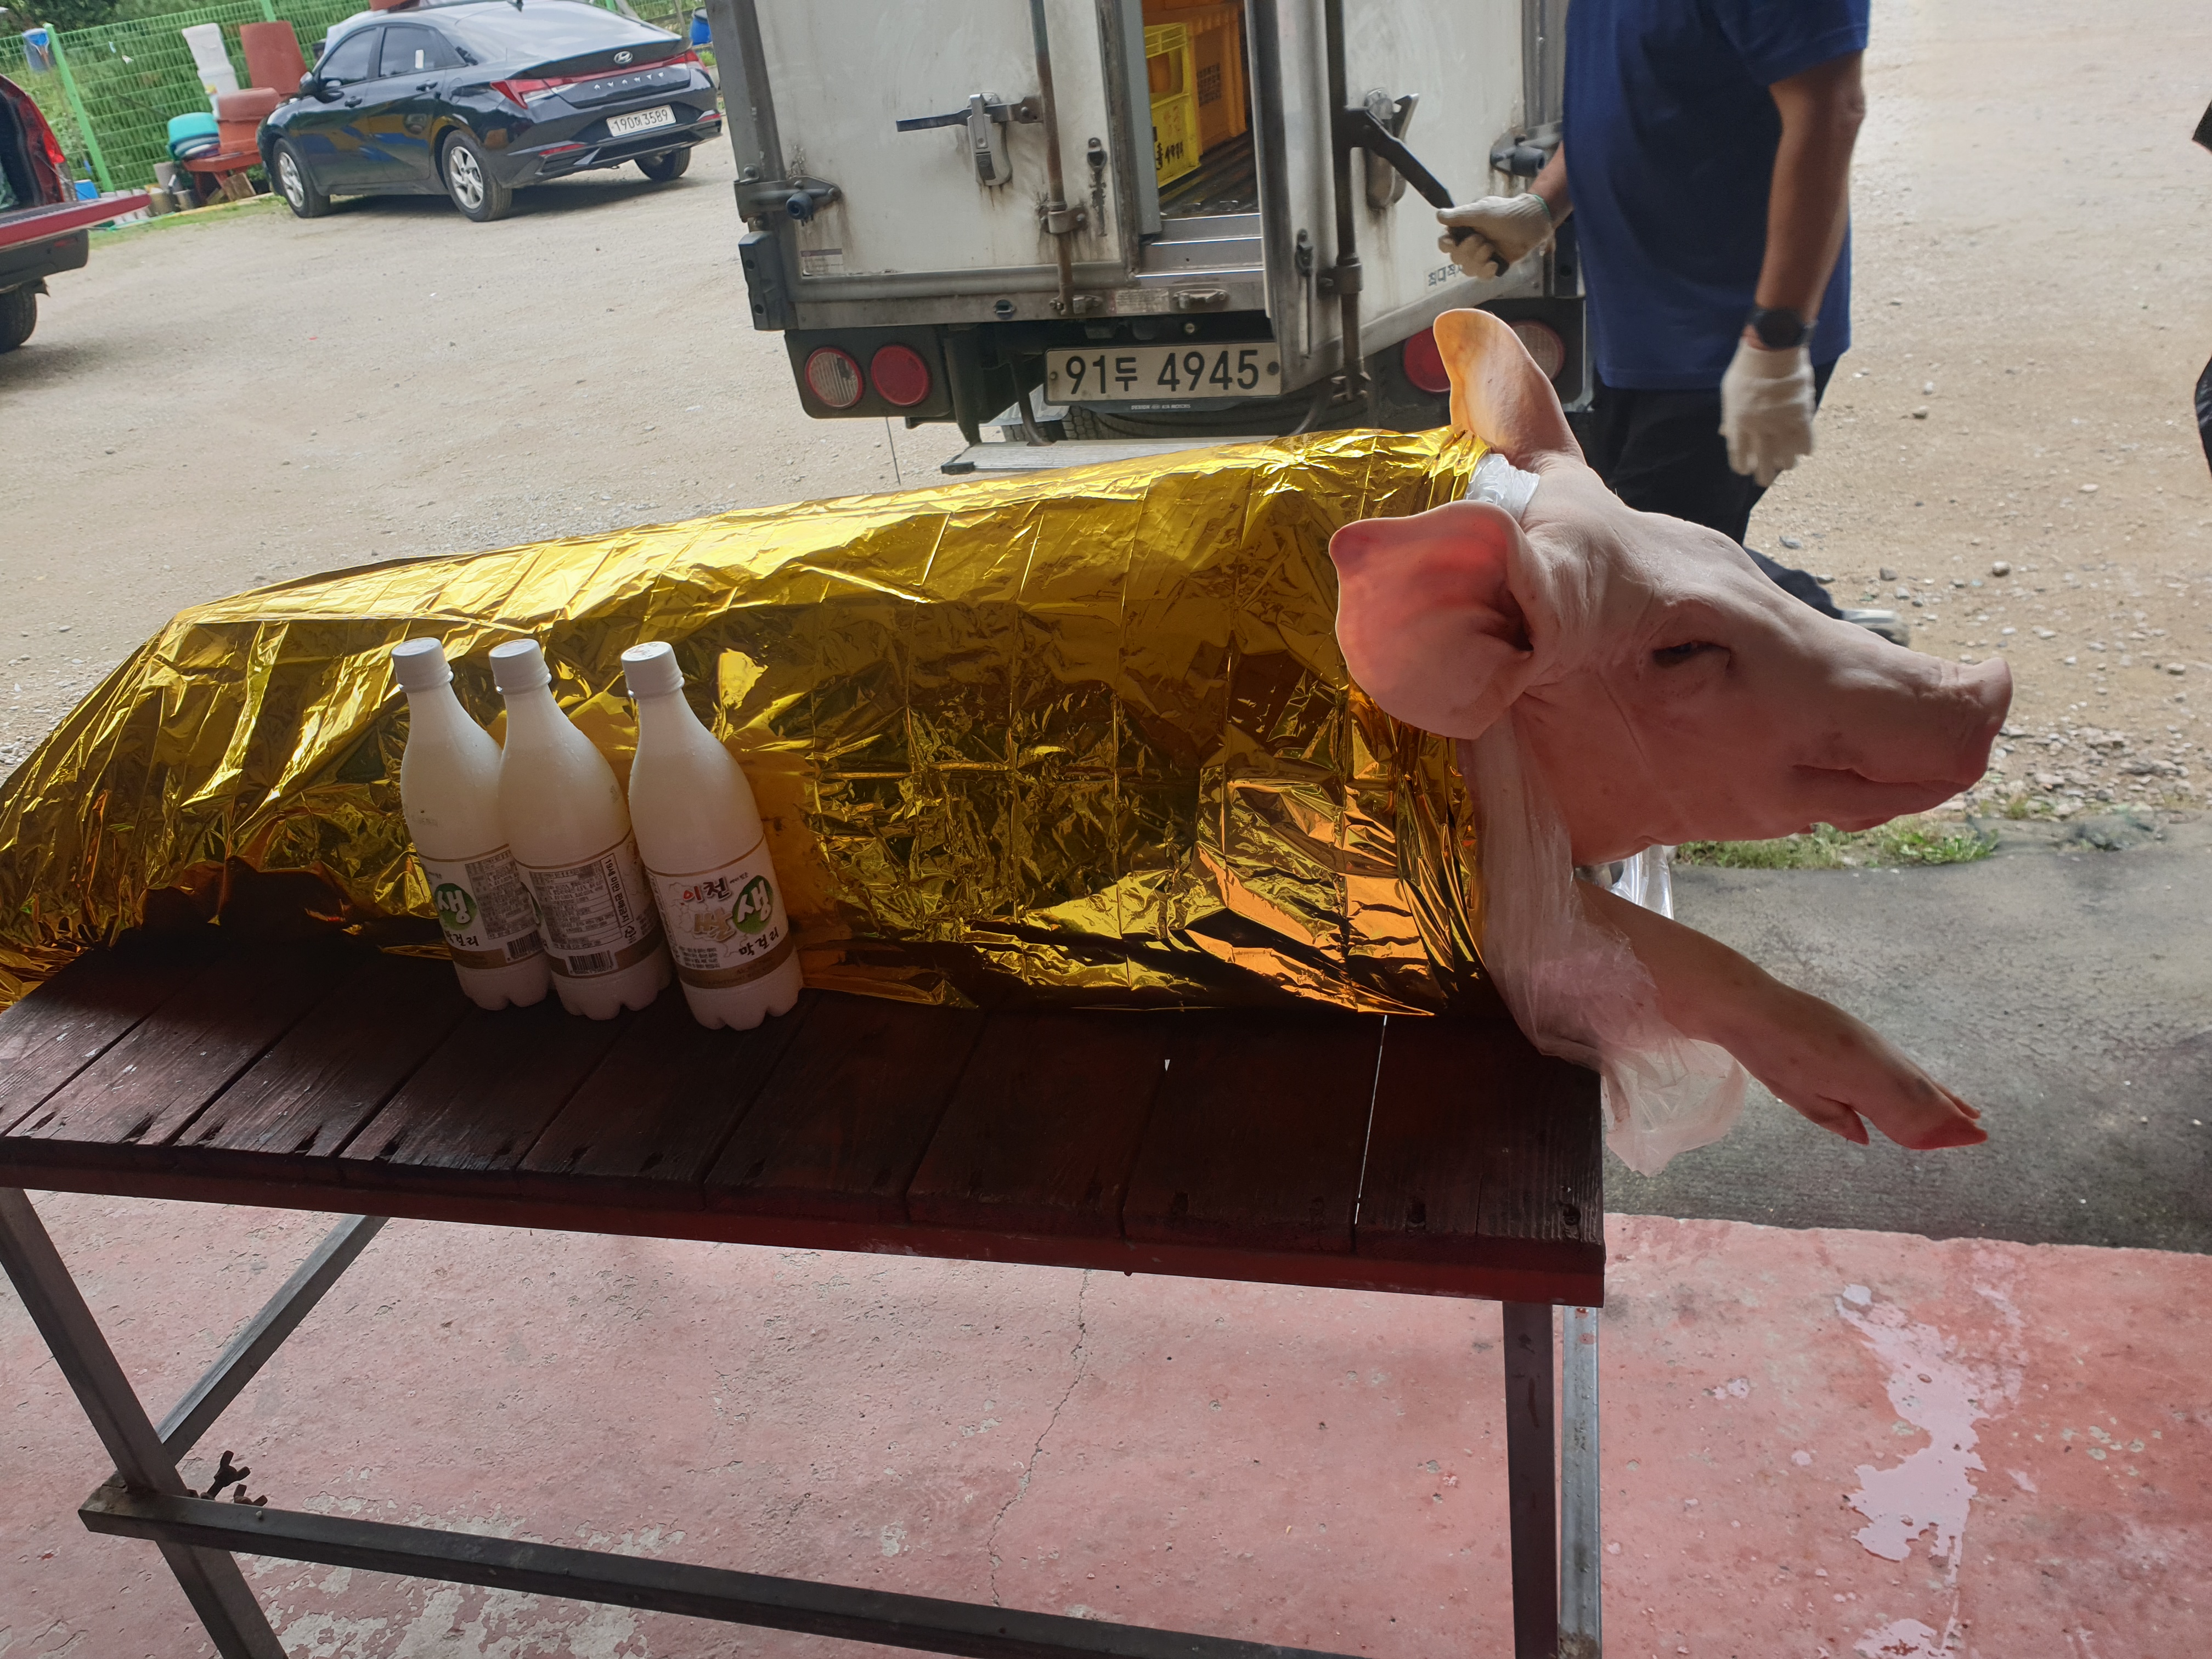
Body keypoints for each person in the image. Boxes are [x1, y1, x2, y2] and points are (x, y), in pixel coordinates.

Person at [1436, 0, 1871, 617]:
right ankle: (1846, 661)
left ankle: (1858, 672)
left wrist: (1777, 337)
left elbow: (1831, 112)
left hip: (1727, 335)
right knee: (1644, 557)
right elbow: (1626, 90)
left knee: (1633, 585)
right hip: (1636, 330)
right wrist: (1541, 209)